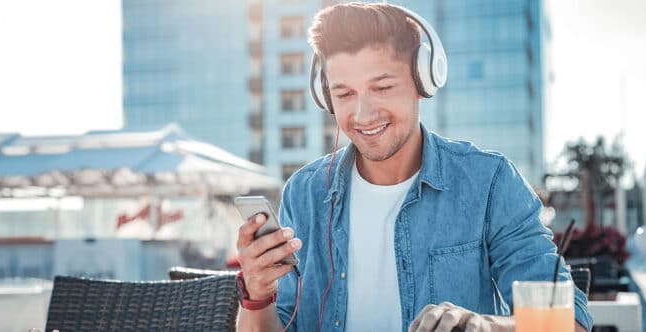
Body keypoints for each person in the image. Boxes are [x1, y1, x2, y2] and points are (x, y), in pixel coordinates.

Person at [235, 3, 592, 331]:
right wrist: (256, 295)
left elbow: (569, 323)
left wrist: (483, 327)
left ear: (424, 79)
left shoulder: (489, 182)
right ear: (325, 95)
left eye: (383, 87)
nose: (363, 115)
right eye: (344, 94)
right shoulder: (305, 192)